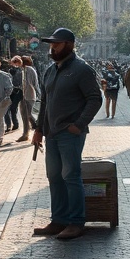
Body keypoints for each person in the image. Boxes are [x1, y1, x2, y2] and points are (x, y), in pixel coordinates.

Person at [31, 28, 102, 240]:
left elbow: (95, 99)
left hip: (70, 133)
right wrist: (39, 129)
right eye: (51, 44)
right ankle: (58, 220)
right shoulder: (50, 70)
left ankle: (76, 222)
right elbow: (45, 103)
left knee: (70, 176)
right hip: (51, 133)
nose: (52, 47)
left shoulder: (82, 69)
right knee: (54, 177)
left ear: (69, 45)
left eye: (57, 43)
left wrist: (78, 125)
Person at [16, 55, 40, 141]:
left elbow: (35, 83)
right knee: (24, 116)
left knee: (30, 114)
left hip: (30, 95)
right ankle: (25, 134)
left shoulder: (30, 70)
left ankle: (38, 126)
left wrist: (39, 94)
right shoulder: (21, 70)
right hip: (22, 96)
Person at [6, 57, 24, 134]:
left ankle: (15, 124)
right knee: (8, 108)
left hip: (19, 91)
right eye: (13, 62)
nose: (14, 64)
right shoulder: (10, 70)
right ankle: (9, 125)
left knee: (13, 107)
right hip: (12, 91)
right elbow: (8, 80)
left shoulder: (22, 70)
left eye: (16, 62)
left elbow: (22, 82)